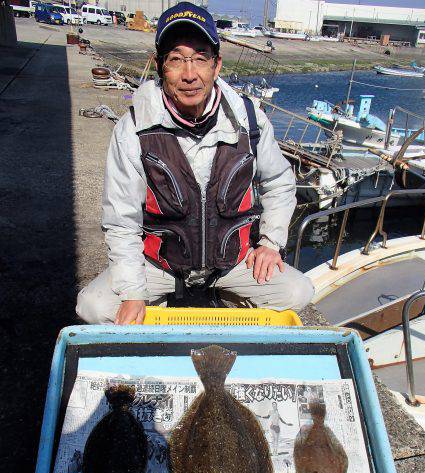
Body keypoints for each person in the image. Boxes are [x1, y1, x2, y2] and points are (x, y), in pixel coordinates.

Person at [76, 2, 314, 325]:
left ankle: (224, 296)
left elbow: (280, 184)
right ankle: (165, 299)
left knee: (299, 291)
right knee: (92, 307)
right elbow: (121, 221)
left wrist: (271, 243)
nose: (189, 74)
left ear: (216, 66)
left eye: (200, 58)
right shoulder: (133, 128)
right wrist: (133, 292)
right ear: (160, 67)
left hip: (231, 263)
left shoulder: (250, 120)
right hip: (161, 266)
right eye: (176, 60)